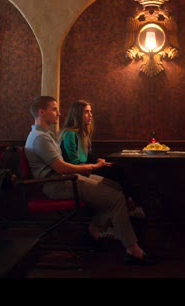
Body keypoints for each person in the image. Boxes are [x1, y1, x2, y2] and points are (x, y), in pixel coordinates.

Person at [24, 95, 158, 265]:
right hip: (56, 184)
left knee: (116, 187)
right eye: (54, 109)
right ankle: (133, 250)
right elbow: (62, 168)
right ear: (41, 112)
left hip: (62, 180)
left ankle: (96, 228)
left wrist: (91, 168)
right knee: (116, 198)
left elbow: (62, 167)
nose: (59, 113)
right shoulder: (39, 138)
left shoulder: (44, 135)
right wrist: (92, 167)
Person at [58, 99, 146, 220]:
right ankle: (133, 205)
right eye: (86, 112)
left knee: (117, 169)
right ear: (77, 114)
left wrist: (99, 160)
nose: (90, 115)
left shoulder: (82, 133)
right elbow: (74, 162)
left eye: (91, 112)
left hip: (86, 167)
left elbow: (88, 155)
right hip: (77, 173)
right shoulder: (70, 134)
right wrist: (97, 165)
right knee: (117, 171)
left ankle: (129, 204)